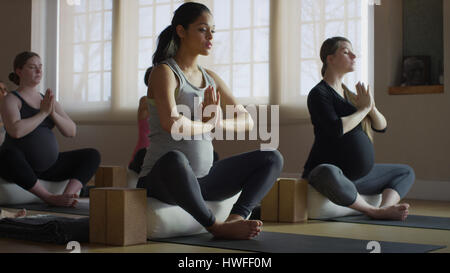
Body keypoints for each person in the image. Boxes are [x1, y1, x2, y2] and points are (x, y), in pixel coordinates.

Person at [137, 2, 284, 240]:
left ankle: (236, 218)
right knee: (175, 159)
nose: (210, 36)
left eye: (213, 31)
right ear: (181, 31)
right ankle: (216, 227)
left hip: (204, 179)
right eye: (203, 29)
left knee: (271, 157)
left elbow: (246, 119)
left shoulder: (211, 78)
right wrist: (206, 125)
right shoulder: (164, 72)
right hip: (163, 179)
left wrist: (218, 123)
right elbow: (171, 123)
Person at [302, 37, 415, 221]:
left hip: (358, 177)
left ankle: (385, 208)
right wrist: (363, 110)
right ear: (329, 59)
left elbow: (381, 126)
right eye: (346, 52)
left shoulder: (351, 95)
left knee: (405, 171)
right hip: (329, 175)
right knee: (326, 172)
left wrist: (371, 107)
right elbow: (336, 128)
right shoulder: (319, 94)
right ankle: (373, 211)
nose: (354, 56)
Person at [0, 52, 101, 208]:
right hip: (19, 166)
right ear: (19, 71)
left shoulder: (47, 100)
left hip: (48, 167)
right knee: (7, 154)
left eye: (40, 67)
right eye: (32, 67)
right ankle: (49, 198)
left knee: (92, 155)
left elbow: (71, 131)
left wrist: (52, 112)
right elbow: (16, 131)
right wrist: (43, 113)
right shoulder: (11, 99)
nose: (39, 71)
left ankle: (67, 195)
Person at [129, 66, 220, 174]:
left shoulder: (171, 99)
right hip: (147, 149)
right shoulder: (145, 101)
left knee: (214, 156)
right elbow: (171, 118)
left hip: (172, 152)